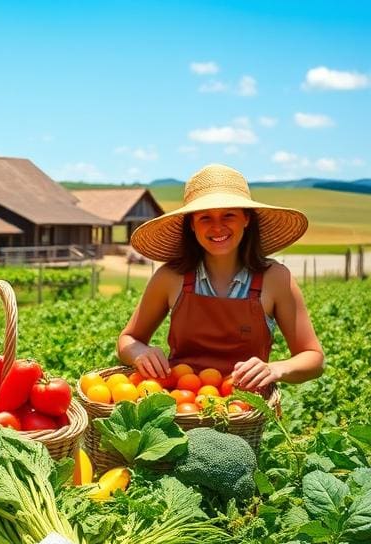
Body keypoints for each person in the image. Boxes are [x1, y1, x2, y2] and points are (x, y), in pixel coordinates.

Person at [117, 164, 324, 391]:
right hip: (183, 408)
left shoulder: (275, 279)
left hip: (247, 411)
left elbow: (313, 358)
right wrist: (141, 352)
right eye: (205, 217)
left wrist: (275, 369)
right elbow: (128, 339)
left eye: (229, 215)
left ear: (246, 219)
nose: (217, 227)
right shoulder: (169, 277)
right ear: (192, 226)